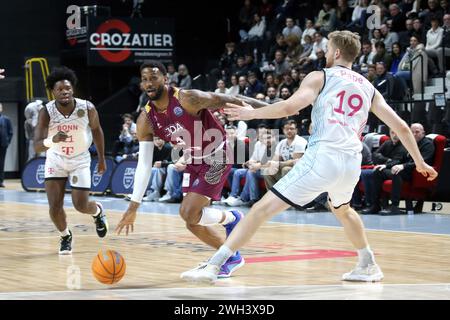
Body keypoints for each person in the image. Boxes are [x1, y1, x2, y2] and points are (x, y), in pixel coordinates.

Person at [181, 30, 438, 283]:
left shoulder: (320, 76)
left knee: (260, 210)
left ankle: (215, 266)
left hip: (323, 157)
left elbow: (290, 107)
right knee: (343, 210)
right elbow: (402, 128)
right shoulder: (369, 88)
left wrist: (251, 114)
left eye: (327, 49)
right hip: (351, 162)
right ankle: (367, 263)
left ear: (336, 52)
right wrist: (419, 162)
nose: (325, 53)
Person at [115, 61, 269, 278]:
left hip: (218, 155)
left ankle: (232, 220)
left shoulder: (187, 98)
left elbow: (232, 99)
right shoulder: (145, 119)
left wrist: (276, 107)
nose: (149, 82)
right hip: (194, 159)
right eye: (145, 79)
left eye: (154, 77)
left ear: (165, 79)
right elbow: (144, 163)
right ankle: (229, 255)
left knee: (188, 212)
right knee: (191, 222)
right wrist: (133, 207)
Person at [34, 66, 108, 255]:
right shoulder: (47, 112)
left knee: (81, 205)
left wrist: (101, 158)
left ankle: (97, 212)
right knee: (54, 206)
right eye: (60, 89)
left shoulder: (87, 108)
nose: (65, 92)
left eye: (68, 88)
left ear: (73, 89)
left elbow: (97, 132)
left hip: (80, 160)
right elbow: (36, 145)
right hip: (56, 159)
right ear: (53, 92)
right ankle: (65, 236)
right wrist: (53, 140)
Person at [0, 102, 13, 188]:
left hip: (2, 145)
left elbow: (10, 132)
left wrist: (7, 142)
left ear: (1, 108)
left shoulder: (6, 119)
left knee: (1, 163)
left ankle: (0, 181)